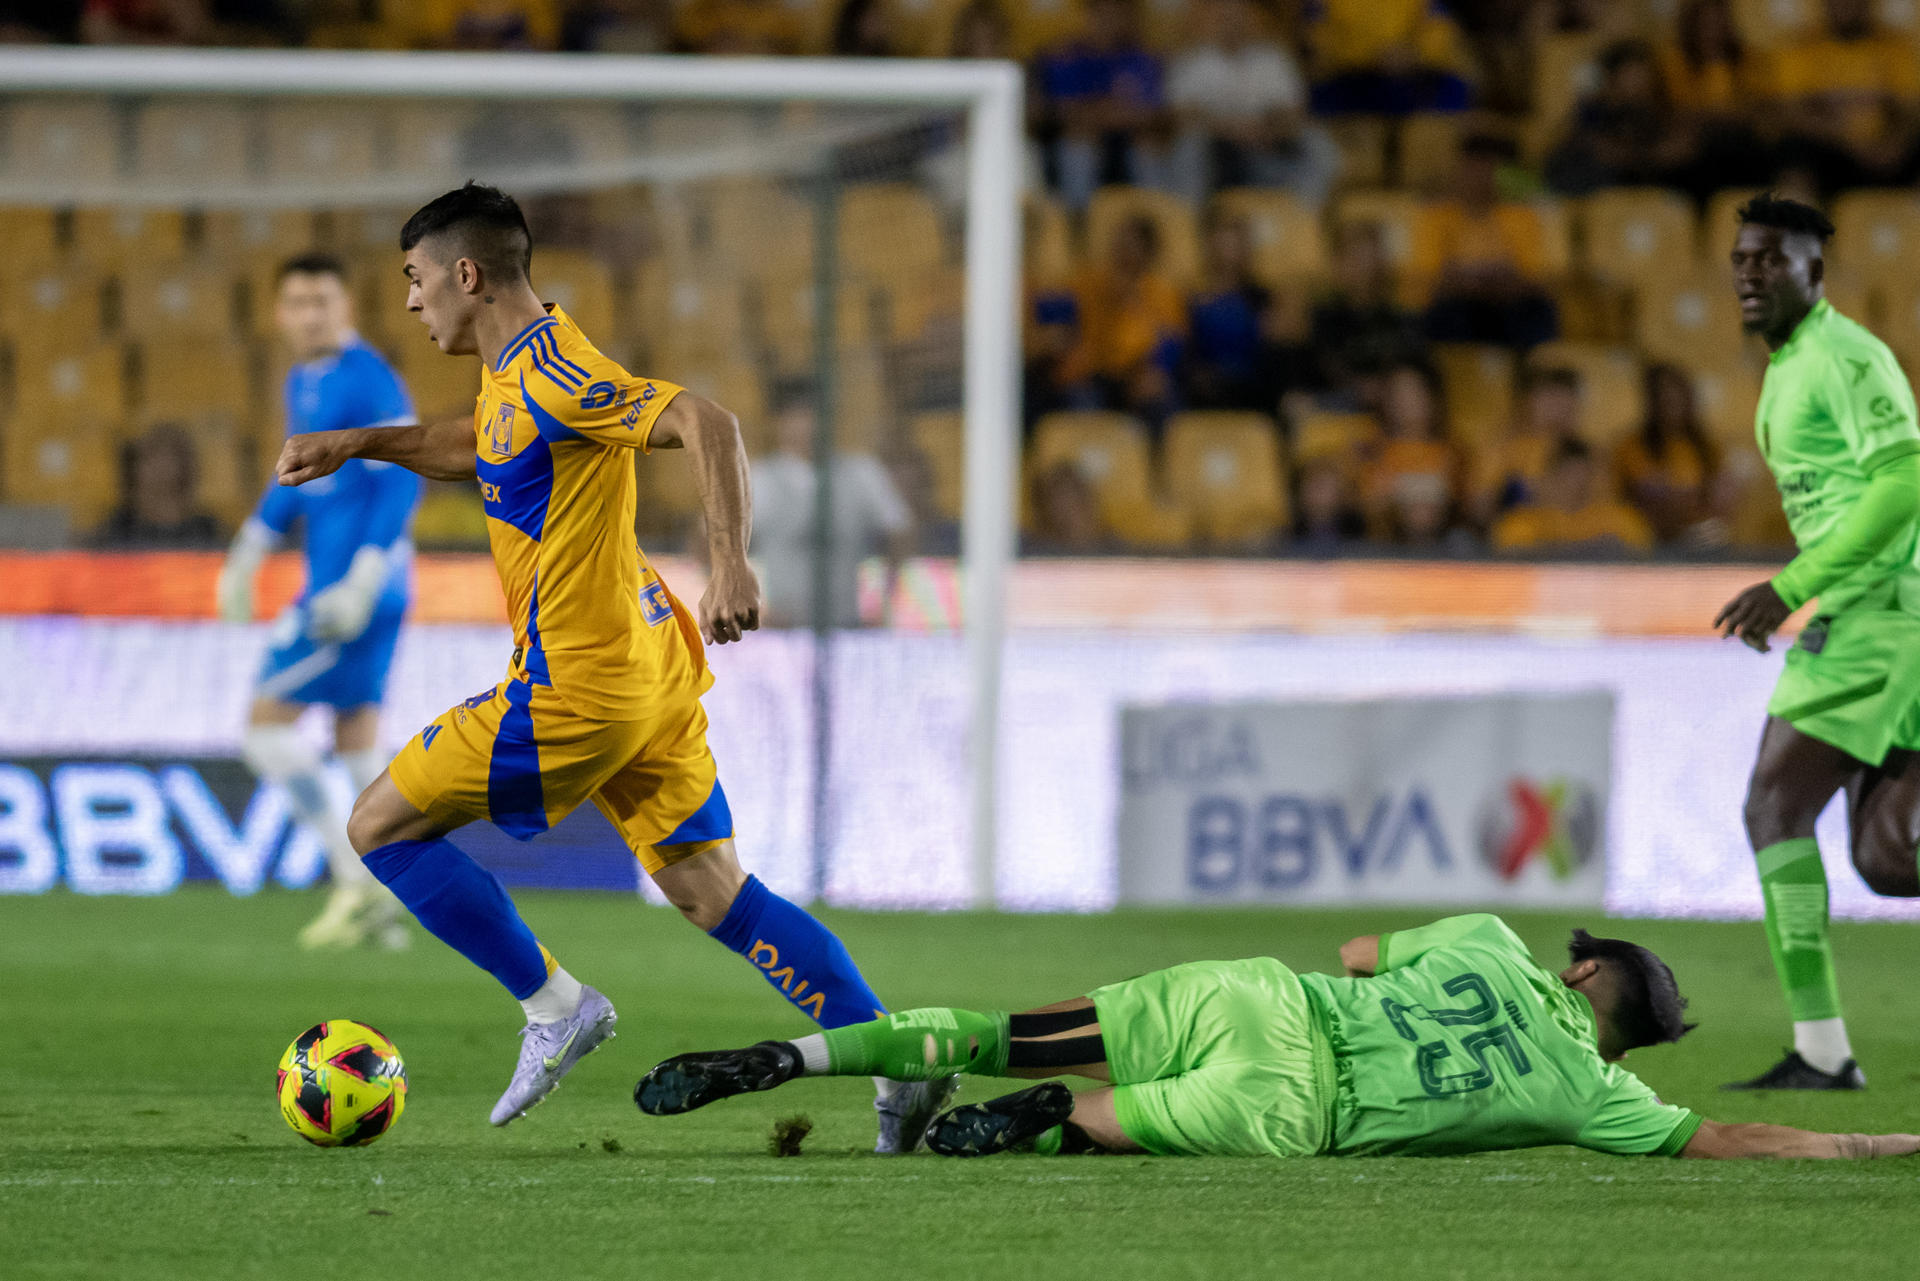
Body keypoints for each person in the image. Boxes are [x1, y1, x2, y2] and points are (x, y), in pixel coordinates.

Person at [272, 183, 950, 1150]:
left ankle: (554, 1004)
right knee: (714, 893)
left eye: (418, 281)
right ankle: (894, 1062)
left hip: (578, 687)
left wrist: (731, 560)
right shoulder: (515, 374)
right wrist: (361, 444)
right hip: (649, 671)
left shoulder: (555, 373)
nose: (413, 303)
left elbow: (705, 421)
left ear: (468, 274)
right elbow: (477, 445)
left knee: (379, 823)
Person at [636, 912, 1920, 1162]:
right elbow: (1738, 1134)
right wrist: (1879, 1144)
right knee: (1105, 1121)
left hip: (1267, 1000)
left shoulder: (1484, 939)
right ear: (1622, 1038)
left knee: (998, 1032)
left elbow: (1356, 955)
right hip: (1291, 1111)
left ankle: (796, 1058)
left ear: (1578, 967)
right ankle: (1051, 1129)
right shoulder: (1600, 1102)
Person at [1711, 193, 1920, 1090]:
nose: (1752, 274)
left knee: (1774, 805)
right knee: (1886, 857)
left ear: (1815, 272)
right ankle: (1824, 1049)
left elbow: (1904, 478)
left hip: (1881, 616)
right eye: (1743, 259)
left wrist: (1791, 587)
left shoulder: (1846, 355)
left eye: (1773, 260)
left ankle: (1824, 1051)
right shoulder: (1789, 365)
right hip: (1866, 612)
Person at [215, 253, 422, 951]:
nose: (310, 314)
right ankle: (391, 899)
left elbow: (402, 479)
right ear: (279, 314)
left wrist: (364, 575)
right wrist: (251, 546)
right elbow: (295, 473)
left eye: (322, 300)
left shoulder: (367, 377)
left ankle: (355, 881)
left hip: (355, 588)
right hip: (353, 583)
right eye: (297, 301)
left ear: (347, 308)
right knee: (355, 740)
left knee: (266, 730)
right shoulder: (304, 378)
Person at [749, 386, 915, 629]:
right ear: (778, 422)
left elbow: (901, 533)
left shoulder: (862, 472)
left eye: (814, 414)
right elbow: (713, 542)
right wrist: (754, 607)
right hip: (783, 630)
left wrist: (883, 598)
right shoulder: (758, 478)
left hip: (848, 626)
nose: (807, 425)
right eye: (797, 416)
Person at [1166, 0, 1337, 206]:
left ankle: (1301, 219)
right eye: (1225, 16)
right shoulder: (1194, 60)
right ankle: (1192, 219)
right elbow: (1181, 115)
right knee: (1190, 143)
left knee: (1319, 144)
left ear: (1252, 18)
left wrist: (1266, 128)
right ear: (1211, 19)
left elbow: (1293, 111)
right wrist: (1232, 129)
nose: (1232, 22)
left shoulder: (1272, 59)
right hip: (1215, 148)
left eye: (1239, 15)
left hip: (1266, 144)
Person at [1412, 131, 1559, 350]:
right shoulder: (1435, 218)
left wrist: (1489, 281)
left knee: (1538, 310)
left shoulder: (1522, 217)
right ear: (1459, 170)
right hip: (1458, 308)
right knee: (1444, 316)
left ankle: (1531, 376)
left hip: (1507, 307)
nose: (1479, 177)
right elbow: (1431, 282)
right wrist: (1474, 282)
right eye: (1472, 168)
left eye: (1488, 169)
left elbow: (1534, 280)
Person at [1766, 0, 1920, 192]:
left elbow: (1911, 109)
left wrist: (1894, 146)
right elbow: (1792, 113)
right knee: (1794, 147)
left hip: (1886, 152)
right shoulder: (1803, 46)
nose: (1846, 7)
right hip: (1832, 150)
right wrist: (1849, 144)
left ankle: (1911, 218)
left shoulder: (1894, 46)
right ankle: (1797, 213)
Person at [1055, 213, 1186, 429]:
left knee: (1161, 398)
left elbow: (1171, 345)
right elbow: (1061, 320)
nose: (1122, 249)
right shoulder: (1088, 283)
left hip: (1137, 375)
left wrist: (1153, 369)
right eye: (1119, 241)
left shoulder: (1163, 295)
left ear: (1148, 251)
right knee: (1078, 396)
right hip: (1093, 374)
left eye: (1130, 243)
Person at [1034, 0, 1168, 210]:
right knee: (1077, 142)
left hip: (1129, 139)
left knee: (1149, 144)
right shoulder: (1066, 57)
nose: (1109, 22)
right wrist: (1111, 111)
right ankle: (1078, 218)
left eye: (1116, 15)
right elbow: (1062, 111)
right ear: (1087, 16)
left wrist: (1099, 113)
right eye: (1102, 15)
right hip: (1082, 138)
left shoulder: (1142, 59)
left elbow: (1150, 114)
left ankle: (1153, 215)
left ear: (1127, 18)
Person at [1491, 435, 1653, 557]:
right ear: (1546, 479)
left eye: (1585, 477)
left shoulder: (1619, 520)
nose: (1576, 486)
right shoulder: (1520, 523)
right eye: (1566, 476)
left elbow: (1644, 562)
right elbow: (1509, 564)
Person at [1614, 363, 1719, 545]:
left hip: (1697, 533)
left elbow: (1712, 495)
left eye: (1678, 395)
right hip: (1652, 533)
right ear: (1653, 401)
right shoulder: (1632, 446)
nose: (1673, 403)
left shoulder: (1706, 447)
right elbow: (1640, 494)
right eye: (1665, 397)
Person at [1467, 364, 1582, 526]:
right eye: (1550, 396)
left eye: (1567, 397)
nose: (1560, 407)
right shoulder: (1500, 448)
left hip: (1576, 540)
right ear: (1527, 400)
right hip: (1517, 540)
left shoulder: (1588, 452)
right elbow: (1480, 510)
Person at [92, 423, 224, 548]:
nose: (161, 468)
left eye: (170, 457)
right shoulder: (114, 534)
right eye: (150, 458)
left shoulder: (208, 533)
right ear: (133, 470)